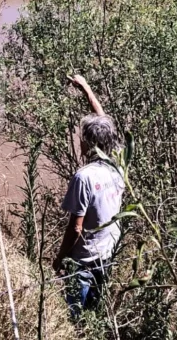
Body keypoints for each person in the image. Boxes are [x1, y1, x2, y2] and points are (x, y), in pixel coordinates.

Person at [53, 74, 125, 318]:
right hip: (108, 254)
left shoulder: (84, 177)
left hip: (84, 261)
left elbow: (75, 229)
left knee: (74, 317)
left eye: (82, 137)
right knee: (95, 315)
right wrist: (86, 89)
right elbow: (106, 124)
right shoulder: (118, 164)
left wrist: (60, 258)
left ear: (88, 143)